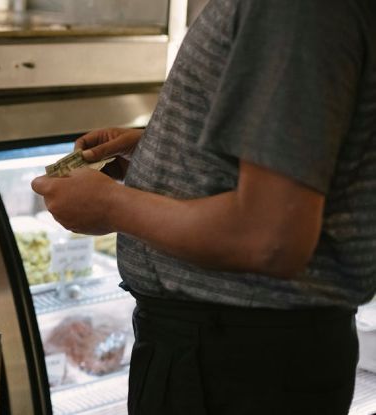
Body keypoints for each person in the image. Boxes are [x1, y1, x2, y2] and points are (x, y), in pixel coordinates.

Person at [31, 1, 376, 414]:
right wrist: (170, 150)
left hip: (235, 361)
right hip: (236, 351)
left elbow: (270, 238)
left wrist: (111, 206)